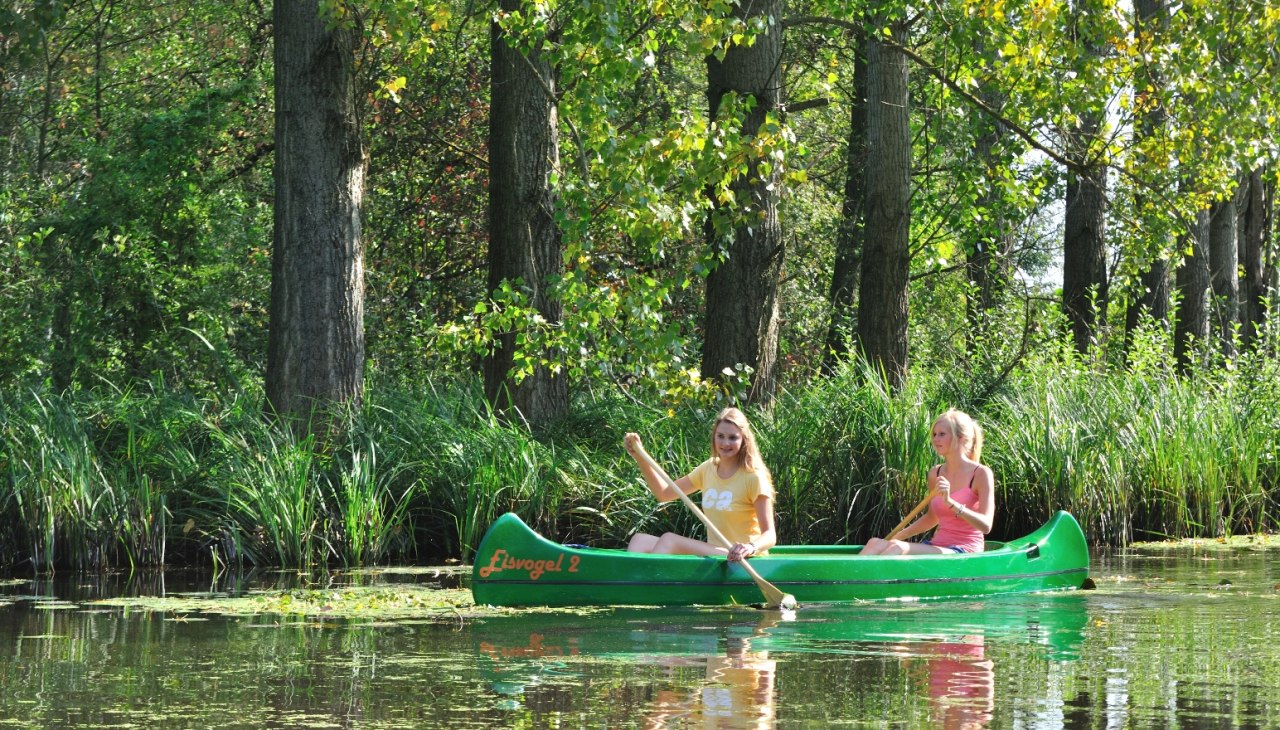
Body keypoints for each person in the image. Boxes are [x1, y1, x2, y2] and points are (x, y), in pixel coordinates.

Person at [624, 407, 777, 562]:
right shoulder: (708, 468)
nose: (725, 443)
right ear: (714, 437)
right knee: (639, 541)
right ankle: (632, 586)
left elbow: (770, 535)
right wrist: (640, 457)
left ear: (744, 439)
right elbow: (664, 494)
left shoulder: (754, 477)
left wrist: (750, 547)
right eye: (721, 436)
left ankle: (648, 585)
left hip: (742, 557)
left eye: (733, 437)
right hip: (716, 552)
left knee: (669, 540)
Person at [862, 409, 995, 555]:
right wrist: (897, 536)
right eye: (934, 434)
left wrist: (951, 502)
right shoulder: (935, 473)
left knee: (897, 548)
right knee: (875, 542)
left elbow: (986, 526)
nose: (935, 439)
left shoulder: (981, 473)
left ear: (960, 437)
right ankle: (849, 578)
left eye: (942, 434)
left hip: (965, 549)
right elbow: (932, 518)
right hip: (938, 545)